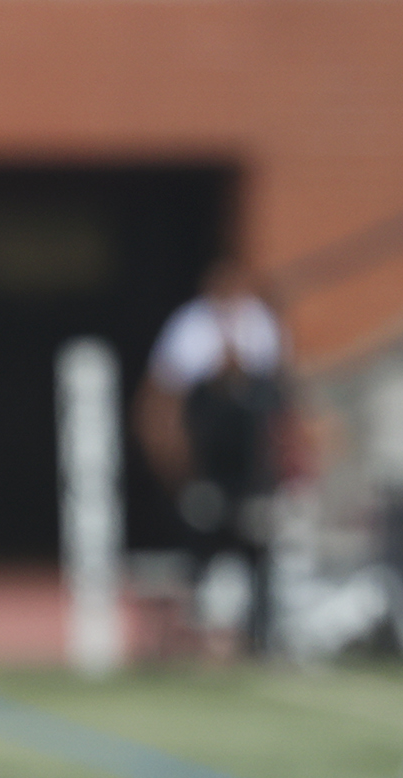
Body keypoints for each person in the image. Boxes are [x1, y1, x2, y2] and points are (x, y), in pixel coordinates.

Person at [136, 260, 291, 657]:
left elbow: (277, 405)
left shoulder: (261, 326)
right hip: (208, 464)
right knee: (200, 550)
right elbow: (163, 405)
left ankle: (261, 635)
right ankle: (192, 638)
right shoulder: (189, 328)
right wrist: (180, 475)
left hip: (250, 466)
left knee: (258, 550)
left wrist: (280, 467)